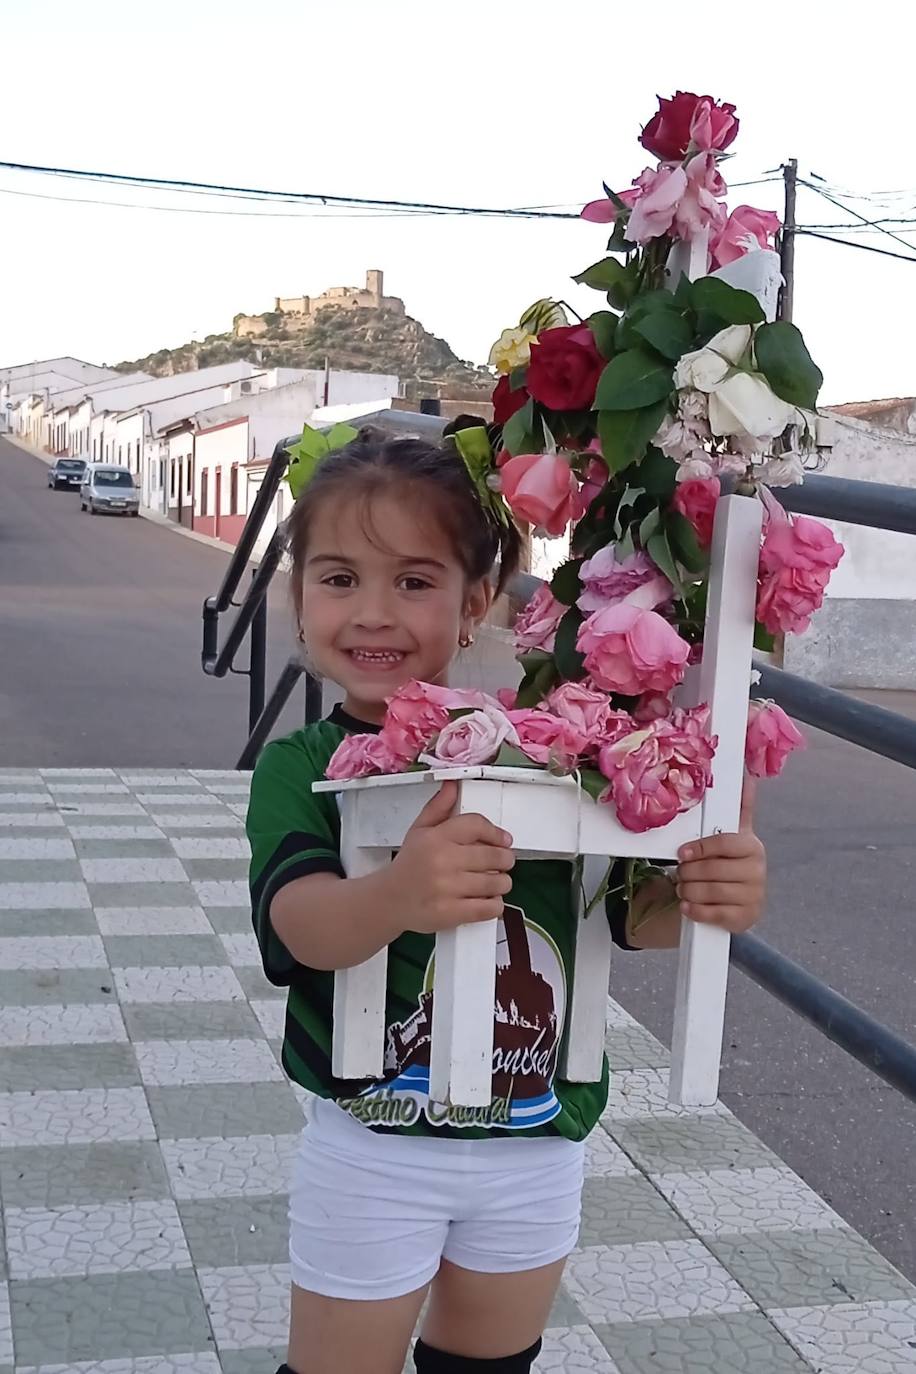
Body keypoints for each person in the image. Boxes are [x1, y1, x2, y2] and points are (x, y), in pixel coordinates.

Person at [246, 427, 767, 1374]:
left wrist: (706, 889)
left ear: (475, 600)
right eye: (337, 579)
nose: (373, 612)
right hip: (375, 1146)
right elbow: (297, 929)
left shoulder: (549, 754)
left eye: (413, 581)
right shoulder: (302, 766)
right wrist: (401, 891)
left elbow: (621, 917)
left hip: (537, 1139)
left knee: (489, 1366)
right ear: (298, 598)